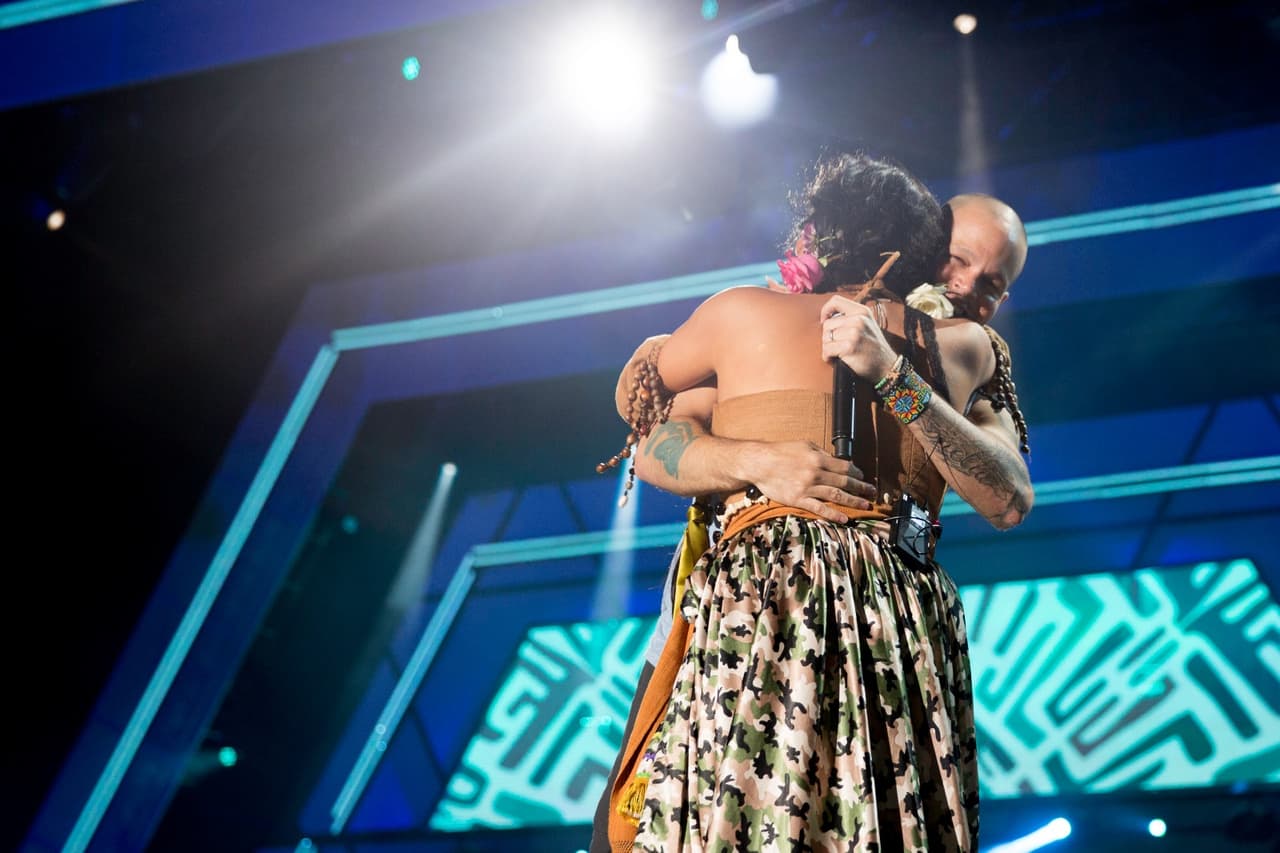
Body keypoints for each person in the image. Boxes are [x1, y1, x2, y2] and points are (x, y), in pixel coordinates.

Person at [595, 153, 1033, 852]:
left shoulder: (969, 349)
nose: (965, 287)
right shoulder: (753, 314)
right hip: (770, 600)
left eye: (992, 284)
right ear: (915, 250)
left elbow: (1009, 497)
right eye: (956, 261)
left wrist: (892, 375)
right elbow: (655, 434)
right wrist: (760, 460)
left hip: (887, 614)